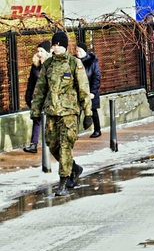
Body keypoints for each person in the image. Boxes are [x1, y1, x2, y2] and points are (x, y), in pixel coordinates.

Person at [30, 31, 92, 196]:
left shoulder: (74, 63)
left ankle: (63, 182)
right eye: (54, 45)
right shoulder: (48, 64)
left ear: (64, 46)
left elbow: (84, 90)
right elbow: (40, 89)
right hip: (51, 113)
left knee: (65, 146)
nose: (55, 47)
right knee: (53, 146)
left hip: (69, 113)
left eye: (59, 45)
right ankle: (75, 168)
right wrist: (35, 111)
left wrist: (88, 113)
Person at [23, 40, 51, 153]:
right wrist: (28, 96)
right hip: (38, 97)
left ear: (47, 52)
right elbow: (31, 82)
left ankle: (52, 144)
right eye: (38, 51)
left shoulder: (51, 64)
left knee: (50, 121)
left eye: (41, 51)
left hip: (49, 98)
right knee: (36, 120)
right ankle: (33, 144)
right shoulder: (35, 65)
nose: (39, 53)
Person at [75, 42, 102, 138]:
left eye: (79, 51)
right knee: (76, 112)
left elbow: (96, 77)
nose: (77, 52)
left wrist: (93, 92)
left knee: (93, 111)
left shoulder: (92, 62)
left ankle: (97, 130)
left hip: (90, 91)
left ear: (84, 51)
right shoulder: (74, 62)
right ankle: (74, 133)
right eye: (76, 50)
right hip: (78, 92)